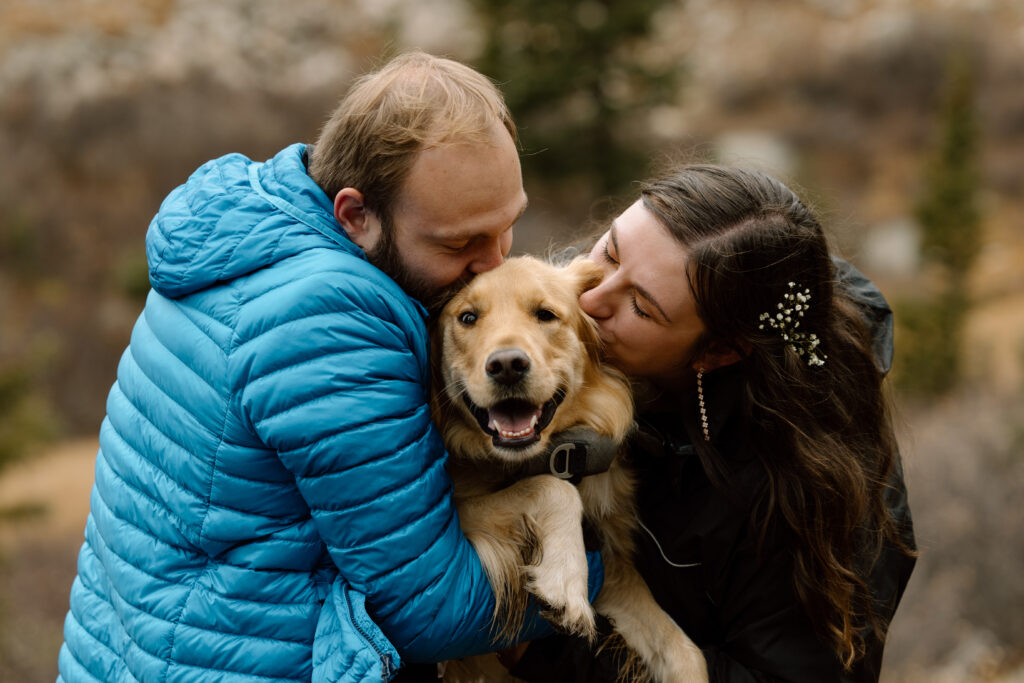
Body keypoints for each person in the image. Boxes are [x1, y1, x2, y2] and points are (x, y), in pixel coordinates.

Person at [58, 51, 600, 683]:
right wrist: (611, 570)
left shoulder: (249, 235)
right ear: (355, 215)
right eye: (459, 243)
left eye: (508, 226)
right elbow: (429, 609)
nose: (493, 263)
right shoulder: (327, 318)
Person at [507, 164, 916, 682]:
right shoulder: (554, 313)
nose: (589, 300)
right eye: (609, 250)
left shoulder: (808, 491)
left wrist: (535, 653)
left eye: (639, 305)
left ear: (718, 352)